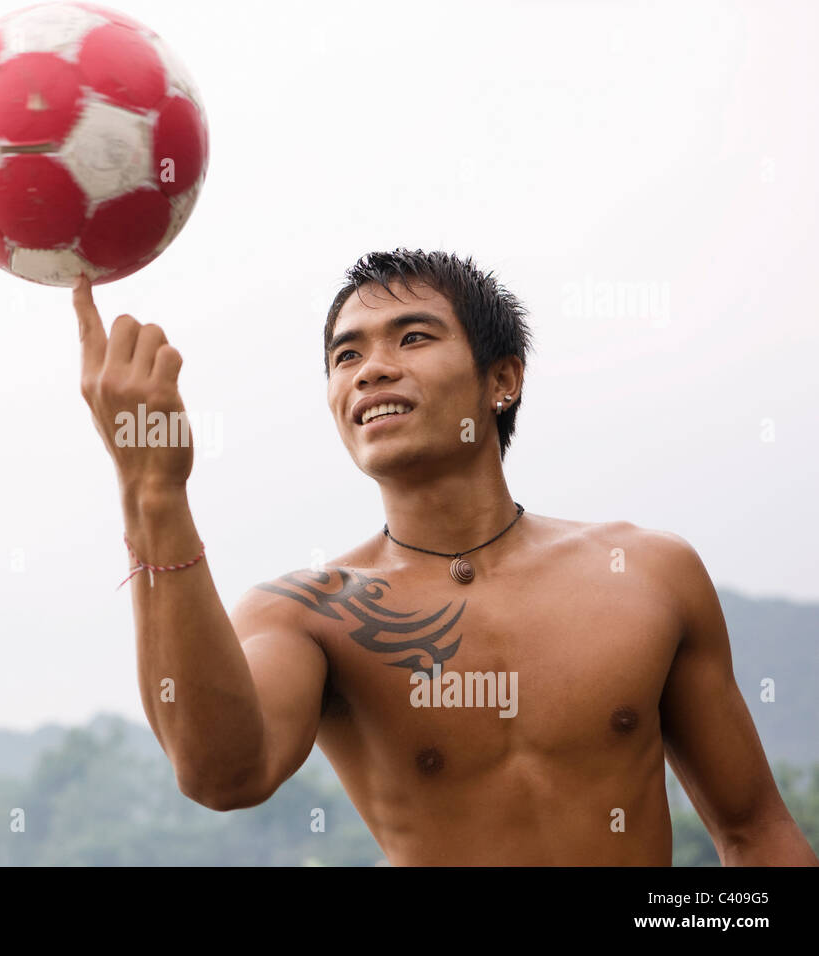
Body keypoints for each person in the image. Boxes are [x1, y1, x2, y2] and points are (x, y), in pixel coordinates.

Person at [72, 248, 816, 865]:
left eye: (413, 337)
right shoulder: (312, 613)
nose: (371, 369)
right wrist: (154, 491)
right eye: (347, 354)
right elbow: (221, 773)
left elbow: (755, 832)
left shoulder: (650, 572)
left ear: (503, 379)